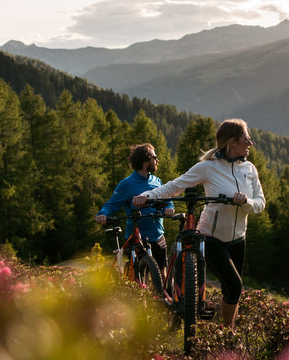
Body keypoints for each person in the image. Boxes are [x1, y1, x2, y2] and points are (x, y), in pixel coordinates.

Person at [133, 118, 265, 329]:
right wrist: (147, 195)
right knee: (235, 286)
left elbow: (261, 202)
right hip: (212, 237)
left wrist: (247, 202)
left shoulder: (249, 169)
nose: (250, 143)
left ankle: (228, 330)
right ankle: (227, 333)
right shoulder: (208, 168)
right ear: (232, 142)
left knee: (230, 290)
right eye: (246, 139)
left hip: (239, 238)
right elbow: (175, 186)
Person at [96, 143, 174, 279]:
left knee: (163, 277)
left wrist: (169, 208)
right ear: (146, 161)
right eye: (154, 158)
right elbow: (111, 204)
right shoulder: (126, 184)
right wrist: (103, 214)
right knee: (138, 279)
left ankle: (163, 298)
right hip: (137, 239)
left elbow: (168, 202)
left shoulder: (157, 181)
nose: (157, 161)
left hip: (157, 236)